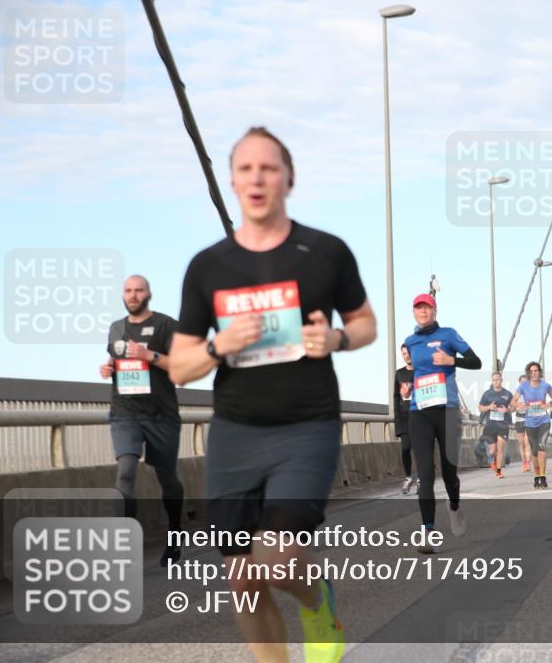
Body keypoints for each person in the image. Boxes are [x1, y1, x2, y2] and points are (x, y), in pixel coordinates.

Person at [169, 127, 377, 662]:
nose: (256, 178)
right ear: (232, 181)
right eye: (245, 169)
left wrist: (335, 338)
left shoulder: (324, 252)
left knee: (279, 559)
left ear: (289, 178)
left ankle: (317, 600)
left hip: (307, 427)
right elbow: (179, 367)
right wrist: (220, 346)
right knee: (242, 578)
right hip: (236, 433)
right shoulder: (208, 267)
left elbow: (365, 324)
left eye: (268, 168)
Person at [100, 274, 184, 567]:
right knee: (125, 469)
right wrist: (108, 367)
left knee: (167, 477)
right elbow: (116, 359)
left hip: (162, 414)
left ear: (149, 294)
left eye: (138, 290)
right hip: (125, 411)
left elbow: (184, 367)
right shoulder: (115, 328)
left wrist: (150, 354)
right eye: (128, 291)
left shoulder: (166, 325)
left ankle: (175, 537)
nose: (133, 295)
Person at [404, 293, 482, 546]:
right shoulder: (410, 342)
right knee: (425, 473)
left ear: (434, 310)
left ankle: (455, 507)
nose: (423, 312)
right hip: (420, 411)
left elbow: (476, 361)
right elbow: (415, 372)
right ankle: (428, 533)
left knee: (449, 472)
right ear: (414, 313)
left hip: (447, 411)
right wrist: (407, 388)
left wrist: (452, 360)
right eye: (418, 308)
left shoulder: (448, 335)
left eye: (427, 307)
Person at [510, 362, 552, 489]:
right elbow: (513, 401)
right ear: (528, 373)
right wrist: (518, 405)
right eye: (531, 371)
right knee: (534, 451)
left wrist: (549, 404)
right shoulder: (523, 386)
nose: (534, 373)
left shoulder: (545, 385)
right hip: (530, 422)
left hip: (544, 421)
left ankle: (542, 476)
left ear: (539, 372)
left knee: (542, 447)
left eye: (536, 370)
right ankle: (536, 476)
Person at [478, 371, 513, 478]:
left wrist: (507, 409)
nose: (495, 382)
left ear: (501, 380)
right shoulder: (487, 394)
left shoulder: (508, 394)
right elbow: (480, 407)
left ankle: (498, 471)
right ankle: (492, 460)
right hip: (490, 425)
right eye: (493, 380)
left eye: (497, 380)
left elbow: (514, 407)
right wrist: (489, 407)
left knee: (500, 447)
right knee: (492, 451)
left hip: (503, 425)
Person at [394, 343, 418, 494]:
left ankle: (421, 479)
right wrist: (397, 416)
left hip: (419, 415)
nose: (406, 355)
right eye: (403, 353)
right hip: (403, 417)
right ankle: (409, 478)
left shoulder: (421, 371)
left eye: (408, 352)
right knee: (405, 449)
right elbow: (396, 396)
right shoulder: (399, 373)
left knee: (418, 449)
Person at [513, 374, 530, 472]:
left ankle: (528, 463)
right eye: (522, 382)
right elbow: (512, 405)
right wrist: (516, 406)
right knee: (521, 443)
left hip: (528, 419)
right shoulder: (516, 394)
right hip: (519, 420)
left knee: (527, 443)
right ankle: (524, 463)